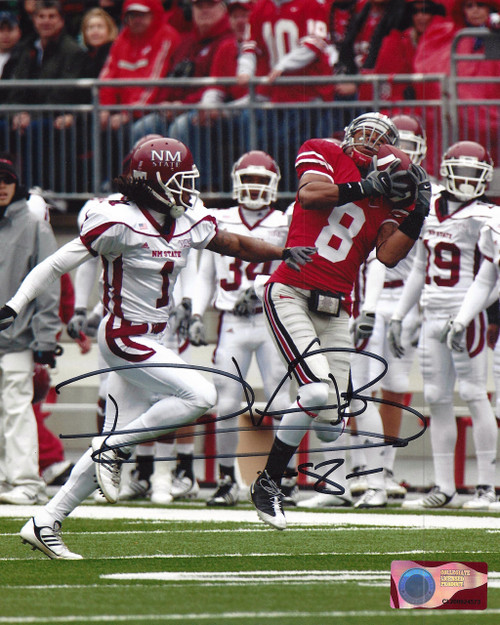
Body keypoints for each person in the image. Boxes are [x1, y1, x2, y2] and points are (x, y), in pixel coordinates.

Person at [0, 137, 315, 559]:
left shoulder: (186, 219)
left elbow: (234, 244)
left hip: (153, 336)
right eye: (182, 180)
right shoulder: (117, 220)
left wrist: (281, 253)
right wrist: (14, 305)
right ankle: (114, 449)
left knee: (115, 441)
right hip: (123, 336)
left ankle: (46, 521)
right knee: (200, 395)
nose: (189, 189)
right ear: (156, 182)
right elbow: (57, 263)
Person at [247, 111, 432, 530]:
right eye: (364, 132)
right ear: (348, 135)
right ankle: (269, 483)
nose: (369, 141)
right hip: (290, 291)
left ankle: (290, 417)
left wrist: (417, 213)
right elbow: (311, 196)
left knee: (332, 425)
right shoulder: (323, 150)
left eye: (379, 138)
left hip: (337, 308)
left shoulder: (389, 198)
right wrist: (365, 186)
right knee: (314, 394)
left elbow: (388, 255)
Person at [388, 140, 498, 510]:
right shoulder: (428, 210)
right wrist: (400, 314)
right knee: (435, 397)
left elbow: (488, 277)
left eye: (474, 173)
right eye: (461, 171)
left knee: (472, 393)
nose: (467, 179)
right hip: (432, 314)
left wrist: (465, 317)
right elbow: (419, 268)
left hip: (465, 316)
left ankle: (485, 487)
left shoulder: (486, 215)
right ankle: (444, 486)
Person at [187, 150, 295, 507]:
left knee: (281, 402)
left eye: (260, 180)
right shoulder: (219, 218)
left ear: (273, 185)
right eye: (247, 179)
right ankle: (227, 480)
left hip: (269, 322)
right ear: (236, 182)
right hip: (231, 323)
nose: (253, 187)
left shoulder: (284, 221)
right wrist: (198, 313)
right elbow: (205, 273)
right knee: (227, 404)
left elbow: (291, 270)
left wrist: (261, 284)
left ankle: (280, 480)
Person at [0, 154, 61, 505]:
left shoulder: (34, 225)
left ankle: (25, 482)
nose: (2, 187)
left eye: (7, 180)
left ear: (16, 184)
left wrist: (46, 339)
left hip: (17, 339)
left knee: (18, 410)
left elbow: (48, 286)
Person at [236, 0, 335, 186]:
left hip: (308, 95)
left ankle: (298, 196)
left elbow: (315, 43)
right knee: (274, 149)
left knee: (300, 152)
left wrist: (283, 65)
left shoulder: (311, 5)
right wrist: (245, 70)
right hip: (277, 96)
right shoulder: (261, 8)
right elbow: (249, 47)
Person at [3, 1, 90, 190]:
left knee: (35, 129)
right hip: (27, 116)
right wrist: (17, 114)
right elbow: (17, 89)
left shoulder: (72, 50)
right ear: (34, 20)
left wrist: (30, 116)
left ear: (61, 20)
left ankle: (32, 189)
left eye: (51, 16)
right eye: (41, 17)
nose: (46, 21)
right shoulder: (27, 48)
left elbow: (62, 94)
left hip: (60, 117)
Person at [97, 0, 181, 180]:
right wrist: (105, 108)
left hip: (154, 109)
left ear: (154, 15)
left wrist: (128, 113)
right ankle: (106, 183)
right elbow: (107, 76)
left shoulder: (166, 36)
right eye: (132, 15)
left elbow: (154, 80)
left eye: (142, 15)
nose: (136, 20)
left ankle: (139, 183)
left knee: (139, 129)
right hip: (123, 112)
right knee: (94, 121)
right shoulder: (122, 39)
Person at [0, 11, 22, 84]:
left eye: (10, 29)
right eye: (1, 29)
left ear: (19, 32)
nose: (5, 34)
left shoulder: (25, 58)